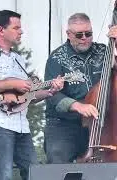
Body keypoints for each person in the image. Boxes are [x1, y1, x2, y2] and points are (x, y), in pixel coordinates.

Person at [0, 10, 63, 180]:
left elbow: (27, 97)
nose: (21, 31)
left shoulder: (18, 59)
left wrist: (51, 91)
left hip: (22, 126)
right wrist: (12, 83)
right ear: (1, 30)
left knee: (34, 174)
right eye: (16, 28)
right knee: (3, 176)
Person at [44, 13, 117, 163]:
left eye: (88, 33)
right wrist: (77, 105)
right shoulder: (57, 58)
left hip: (100, 123)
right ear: (69, 34)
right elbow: (51, 95)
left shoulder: (104, 51)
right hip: (65, 124)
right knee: (58, 159)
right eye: (79, 35)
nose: (85, 38)